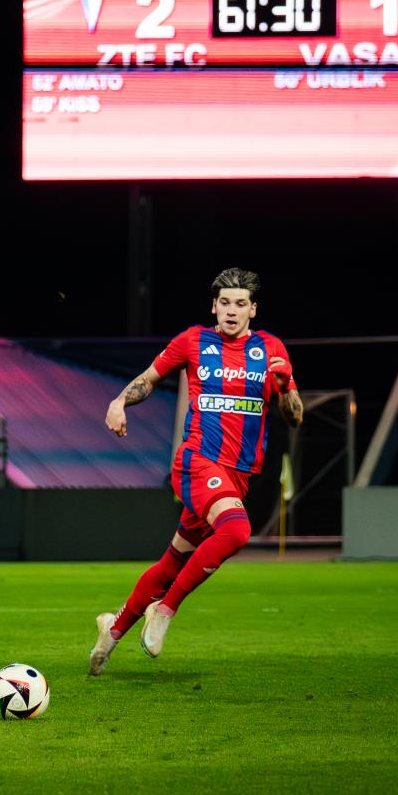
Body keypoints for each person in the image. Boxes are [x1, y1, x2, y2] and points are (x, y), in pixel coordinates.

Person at [89, 268, 303, 675]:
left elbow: (294, 417)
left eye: (240, 303)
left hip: (239, 475)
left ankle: (111, 632)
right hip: (196, 462)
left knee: (172, 563)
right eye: (225, 303)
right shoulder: (193, 341)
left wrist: (286, 383)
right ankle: (165, 609)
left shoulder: (270, 348)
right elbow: (149, 379)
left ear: (253, 310)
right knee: (236, 530)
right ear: (213, 306)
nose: (231, 311)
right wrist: (118, 402)